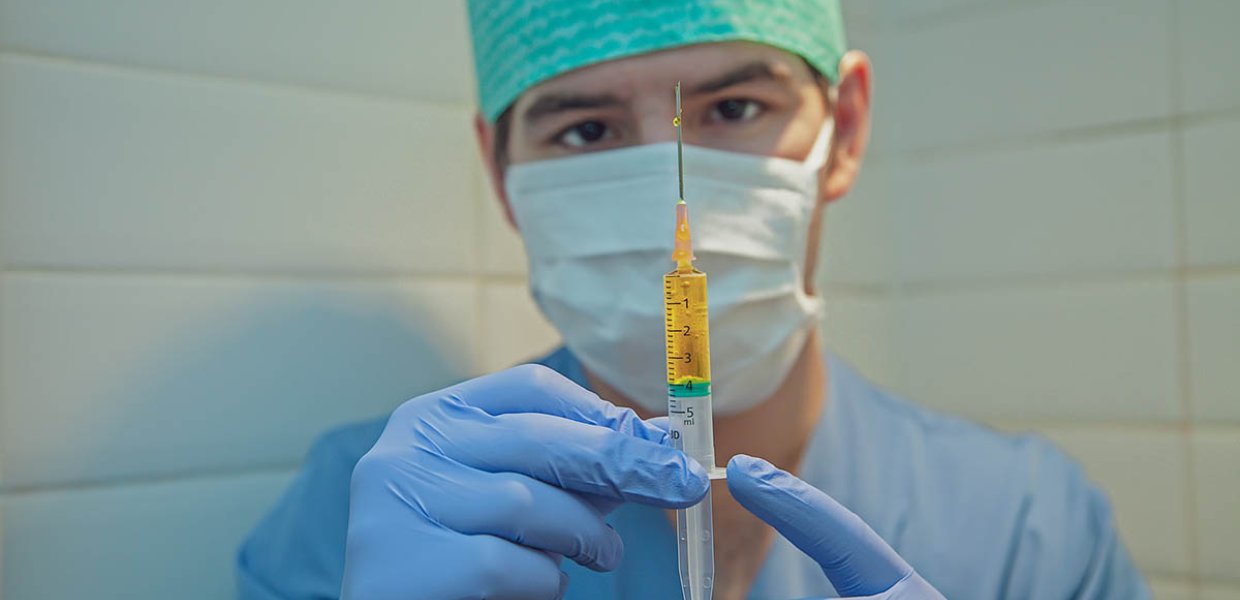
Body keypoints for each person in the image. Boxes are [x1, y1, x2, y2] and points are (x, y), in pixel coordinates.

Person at [237, 1, 1151, 598]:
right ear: (501, 173)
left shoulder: (1030, 526)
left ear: (844, 130)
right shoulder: (375, 514)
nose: (661, 186)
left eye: (738, 108)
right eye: (587, 128)